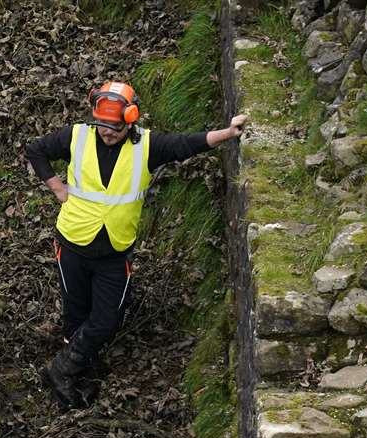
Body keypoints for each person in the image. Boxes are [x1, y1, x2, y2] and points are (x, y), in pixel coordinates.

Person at [25, 81, 248, 409]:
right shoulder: (77, 135)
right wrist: (58, 188)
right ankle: (75, 374)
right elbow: (36, 149)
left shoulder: (147, 146)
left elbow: (186, 144)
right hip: (72, 242)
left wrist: (227, 133)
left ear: (130, 120)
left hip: (114, 251)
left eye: (113, 128)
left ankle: (60, 369)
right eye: (101, 126)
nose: (106, 133)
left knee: (105, 319)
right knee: (75, 313)